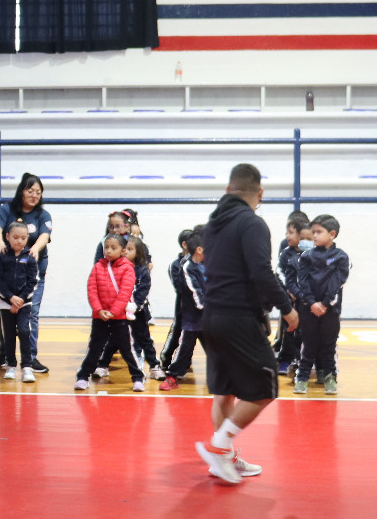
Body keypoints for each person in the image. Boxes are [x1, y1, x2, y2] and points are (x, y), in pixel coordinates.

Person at [193, 164, 298, 486]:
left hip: (210, 316)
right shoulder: (252, 223)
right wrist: (287, 308)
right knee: (265, 389)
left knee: (224, 391)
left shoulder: (212, 225)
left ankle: (223, 460)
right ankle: (219, 446)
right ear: (260, 194)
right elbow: (260, 273)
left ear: (228, 190)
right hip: (237, 317)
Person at [0, 174, 52, 373]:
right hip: (8, 276)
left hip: (31, 276)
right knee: (6, 316)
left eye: (38, 192)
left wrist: (34, 248)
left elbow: (45, 234)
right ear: (21, 191)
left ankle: (30, 357)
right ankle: (6, 353)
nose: (34, 195)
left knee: (30, 316)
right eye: (30, 190)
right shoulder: (6, 209)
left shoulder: (42, 215)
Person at [77, 235, 144, 392]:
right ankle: (83, 376)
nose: (108, 251)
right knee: (94, 347)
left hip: (118, 317)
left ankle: (138, 377)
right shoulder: (97, 267)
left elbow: (125, 293)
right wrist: (99, 310)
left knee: (127, 349)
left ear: (122, 250)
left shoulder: (128, 268)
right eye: (106, 247)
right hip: (99, 317)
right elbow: (92, 290)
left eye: (113, 248)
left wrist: (113, 312)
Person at [293, 214, 350, 396]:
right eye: (313, 232)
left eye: (319, 232)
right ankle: (302, 378)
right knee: (308, 344)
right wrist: (311, 302)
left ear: (332, 234)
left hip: (330, 309)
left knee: (328, 345)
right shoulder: (306, 256)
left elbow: (337, 282)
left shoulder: (341, 257)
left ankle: (330, 378)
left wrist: (324, 304)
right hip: (308, 308)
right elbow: (302, 281)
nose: (314, 236)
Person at [0, 222, 39, 382]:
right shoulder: (2, 256)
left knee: (25, 332)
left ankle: (27, 367)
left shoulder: (30, 257)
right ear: (7, 237)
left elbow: (33, 281)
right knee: (9, 336)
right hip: (6, 304)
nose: (19, 241)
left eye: (23, 238)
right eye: (15, 237)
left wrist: (21, 300)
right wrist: (10, 298)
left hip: (24, 304)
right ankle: (10, 365)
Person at [161, 231, 206, 392]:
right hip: (192, 319)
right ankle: (172, 376)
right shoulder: (187, 267)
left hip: (208, 321)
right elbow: (196, 293)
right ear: (200, 250)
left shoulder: (208, 265)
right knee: (184, 349)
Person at [273, 213, 310, 373]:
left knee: (305, 331)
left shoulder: (311, 252)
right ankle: (285, 359)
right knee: (289, 329)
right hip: (290, 299)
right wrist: (290, 289)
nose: (287, 236)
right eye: (287, 232)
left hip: (307, 300)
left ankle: (303, 360)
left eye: (291, 232)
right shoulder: (286, 252)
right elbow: (280, 271)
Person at [125, 238, 161, 379]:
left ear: (138, 252)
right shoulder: (117, 268)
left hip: (137, 311)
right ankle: (102, 365)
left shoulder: (142, 270)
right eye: (125, 248)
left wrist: (135, 306)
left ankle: (154, 366)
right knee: (113, 341)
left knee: (144, 338)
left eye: (130, 249)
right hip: (120, 311)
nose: (125, 251)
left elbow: (143, 290)